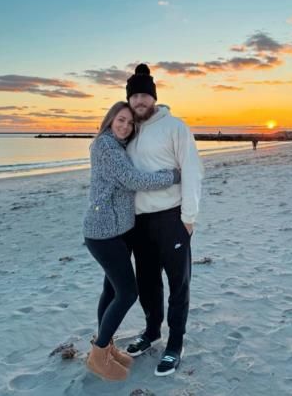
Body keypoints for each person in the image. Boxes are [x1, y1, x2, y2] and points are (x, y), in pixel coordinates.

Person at [83, 101, 180, 381]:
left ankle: (106, 345)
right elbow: (133, 179)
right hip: (103, 233)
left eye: (130, 122)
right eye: (120, 120)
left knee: (111, 291)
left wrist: (160, 111)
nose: (125, 126)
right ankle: (99, 354)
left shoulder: (119, 145)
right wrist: (172, 176)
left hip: (117, 231)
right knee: (127, 293)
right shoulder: (105, 146)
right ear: (110, 120)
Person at [125, 64, 204, 376]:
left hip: (172, 218)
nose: (140, 101)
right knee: (147, 283)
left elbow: (192, 171)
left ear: (153, 97)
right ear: (129, 100)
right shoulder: (129, 130)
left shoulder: (175, 126)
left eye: (145, 95)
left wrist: (189, 218)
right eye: (135, 96)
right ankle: (152, 331)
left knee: (178, 284)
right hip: (140, 221)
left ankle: (175, 344)